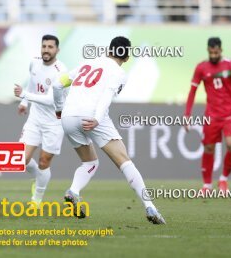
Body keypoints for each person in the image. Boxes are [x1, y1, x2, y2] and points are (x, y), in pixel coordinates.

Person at [53, 36, 166, 225]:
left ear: (108, 50)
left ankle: (73, 191)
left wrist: (59, 109)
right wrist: (97, 118)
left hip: (68, 116)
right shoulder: (119, 72)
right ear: (127, 57)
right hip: (92, 115)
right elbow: (106, 95)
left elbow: (57, 84)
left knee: (90, 162)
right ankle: (150, 207)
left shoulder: (86, 63)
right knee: (124, 161)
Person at [184, 37, 231, 194]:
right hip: (212, 114)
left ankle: (223, 179)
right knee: (209, 148)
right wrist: (187, 114)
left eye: (216, 52)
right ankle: (207, 185)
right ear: (208, 50)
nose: (213, 55)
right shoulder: (201, 68)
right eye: (210, 52)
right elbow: (192, 92)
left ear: (221, 50)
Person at [13, 35, 67, 208]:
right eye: (44, 46)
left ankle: (36, 200)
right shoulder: (34, 63)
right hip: (35, 119)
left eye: (50, 47)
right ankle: (37, 176)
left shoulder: (61, 72)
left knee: (44, 161)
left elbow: (51, 100)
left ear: (57, 50)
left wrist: (24, 96)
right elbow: (32, 82)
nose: (46, 50)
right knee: (21, 159)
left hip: (54, 121)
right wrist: (24, 103)